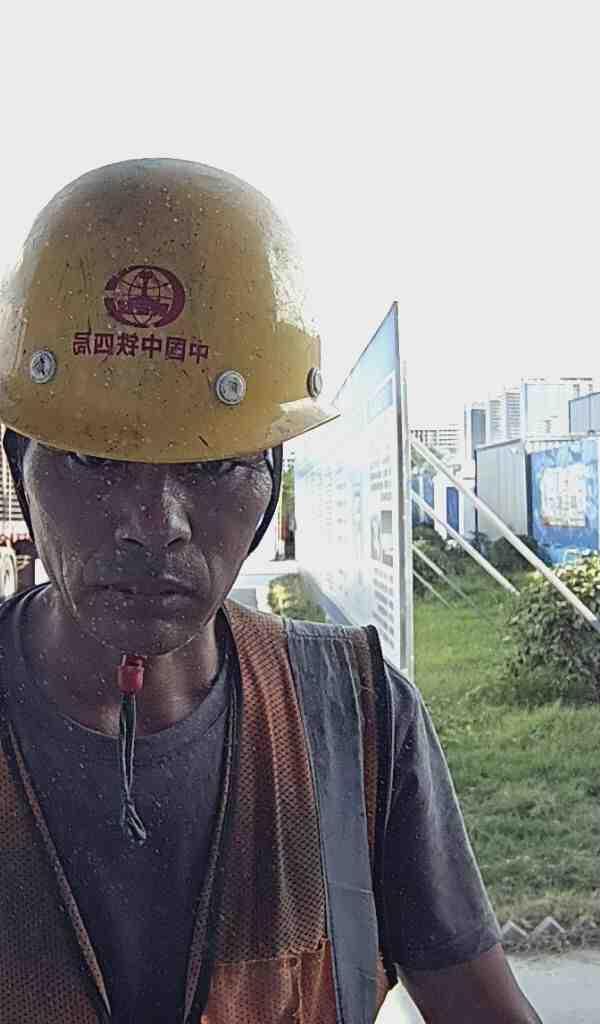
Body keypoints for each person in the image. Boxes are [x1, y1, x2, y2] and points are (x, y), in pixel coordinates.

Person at [0, 158, 541, 1023]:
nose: (154, 524)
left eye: (214, 465)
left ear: (272, 473)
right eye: (96, 461)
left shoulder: (353, 719)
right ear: (19, 462)